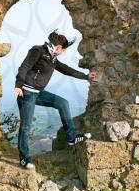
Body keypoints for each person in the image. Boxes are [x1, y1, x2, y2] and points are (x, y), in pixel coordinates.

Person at [14, 29, 98, 169]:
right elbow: (24, 67)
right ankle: (24, 159)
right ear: (58, 47)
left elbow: (67, 69)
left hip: (39, 93)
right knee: (26, 126)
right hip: (26, 93)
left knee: (62, 103)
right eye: (63, 50)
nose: (63, 52)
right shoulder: (38, 50)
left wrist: (86, 76)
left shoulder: (52, 57)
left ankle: (72, 138)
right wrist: (18, 85)